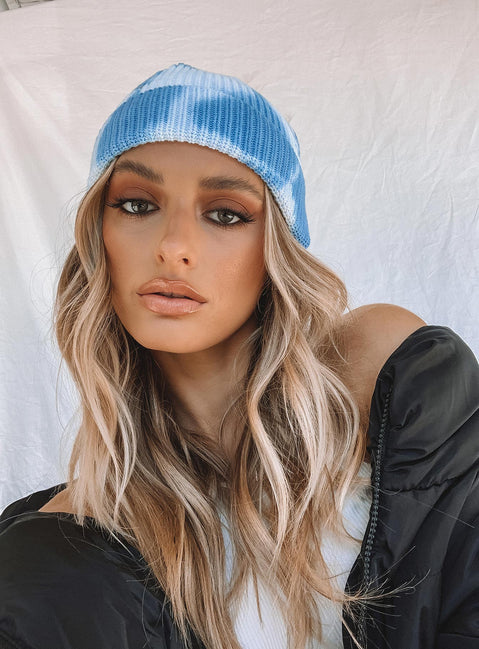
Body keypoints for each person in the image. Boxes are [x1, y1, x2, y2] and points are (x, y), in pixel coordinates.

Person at [0, 63, 477, 649]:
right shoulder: (64, 547)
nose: (173, 247)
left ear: (277, 246)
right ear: (98, 235)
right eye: (137, 205)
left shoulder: (388, 378)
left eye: (225, 213)